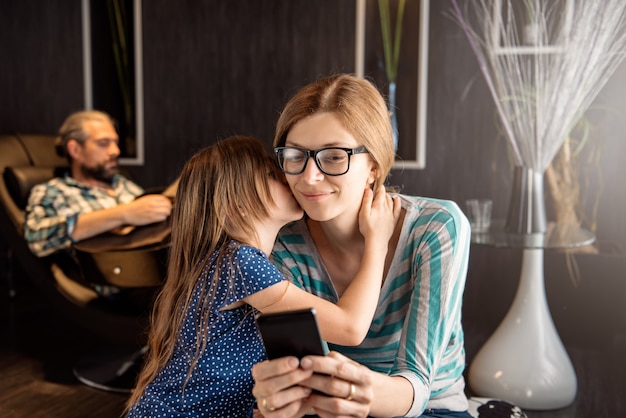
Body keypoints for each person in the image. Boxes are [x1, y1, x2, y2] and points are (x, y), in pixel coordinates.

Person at [123, 135, 400, 417]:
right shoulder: (239, 263)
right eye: (271, 174)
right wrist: (377, 241)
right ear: (236, 204)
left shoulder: (230, 261)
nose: (288, 177)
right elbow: (349, 328)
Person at [250, 74, 472, 418]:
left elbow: (418, 383)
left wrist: (361, 390)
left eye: (335, 156)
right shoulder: (285, 246)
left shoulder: (437, 227)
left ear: (374, 166)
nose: (309, 177)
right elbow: (310, 378)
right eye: (295, 155)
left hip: (429, 408)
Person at [24, 110, 173, 259]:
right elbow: (36, 239)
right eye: (103, 143)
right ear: (75, 150)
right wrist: (124, 214)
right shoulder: (53, 192)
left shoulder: (123, 183)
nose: (115, 151)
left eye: (116, 143)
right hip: (111, 274)